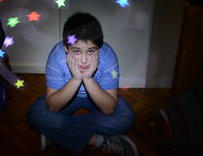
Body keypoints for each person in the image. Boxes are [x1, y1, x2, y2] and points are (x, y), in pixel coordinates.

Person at [27, 12, 138, 156]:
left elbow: (109, 109)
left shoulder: (108, 56)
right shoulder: (56, 55)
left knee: (126, 118)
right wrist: (76, 79)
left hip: (97, 95)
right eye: (76, 51)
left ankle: (57, 133)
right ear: (66, 48)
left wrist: (88, 79)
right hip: (66, 95)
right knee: (35, 114)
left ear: (99, 48)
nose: (84, 60)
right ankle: (98, 141)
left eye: (91, 51)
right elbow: (53, 106)